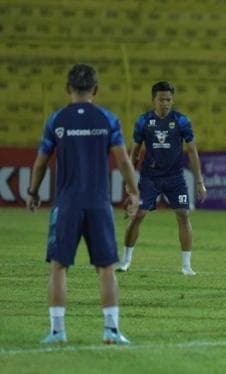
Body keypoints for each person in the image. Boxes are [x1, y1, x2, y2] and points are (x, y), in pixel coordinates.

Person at [26, 63, 140, 345]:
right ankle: (111, 330)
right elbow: (123, 160)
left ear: (68, 89)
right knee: (106, 268)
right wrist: (134, 192)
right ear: (96, 90)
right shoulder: (108, 119)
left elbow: (41, 160)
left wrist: (32, 191)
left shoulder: (56, 120)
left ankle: (57, 331)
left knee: (58, 266)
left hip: (66, 204)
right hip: (98, 204)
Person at [118, 81, 208, 275]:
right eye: (161, 99)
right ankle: (125, 260)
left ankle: (186, 266)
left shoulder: (182, 121)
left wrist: (199, 181)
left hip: (175, 177)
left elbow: (192, 152)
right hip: (150, 177)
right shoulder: (144, 121)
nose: (165, 103)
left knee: (183, 215)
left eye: (168, 99)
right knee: (138, 215)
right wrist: (130, 181)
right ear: (153, 100)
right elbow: (134, 153)